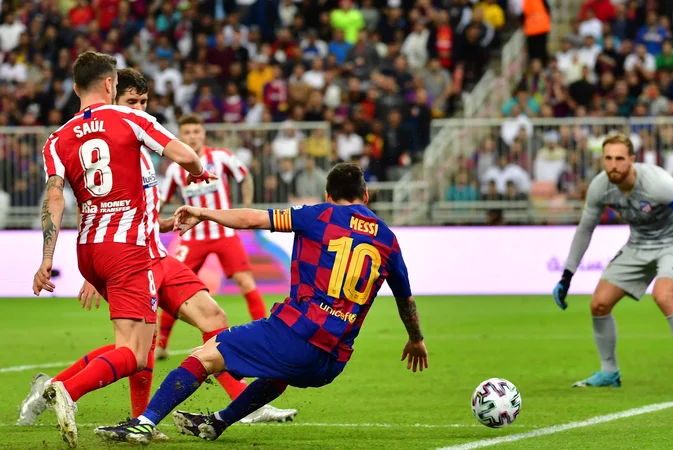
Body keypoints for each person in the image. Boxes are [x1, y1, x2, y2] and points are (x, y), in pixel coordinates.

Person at [17, 69, 297, 434]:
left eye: (143, 102)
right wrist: (95, 274)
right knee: (137, 350)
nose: (138, 107)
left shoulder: (140, 149)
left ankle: (240, 404)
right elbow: (101, 205)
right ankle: (107, 406)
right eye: (131, 101)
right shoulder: (120, 131)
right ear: (112, 96)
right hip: (128, 255)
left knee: (212, 318)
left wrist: (162, 224)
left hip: (155, 252)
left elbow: (136, 204)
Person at [94, 163, 428, 444]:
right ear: (365, 196)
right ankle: (218, 422)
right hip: (333, 361)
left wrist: (204, 212)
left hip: (298, 334)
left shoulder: (319, 215)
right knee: (278, 374)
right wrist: (416, 339)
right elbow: (406, 300)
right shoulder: (387, 239)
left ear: (328, 195)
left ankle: (145, 423)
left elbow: (254, 219)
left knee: (206, 354)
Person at [31, 51, 211, 448]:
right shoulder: (131, 118)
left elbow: (55, 199)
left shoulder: (56, 138)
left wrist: (46, 259)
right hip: (128, 249)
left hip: (88, 251)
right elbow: (187, 156)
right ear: (111, 85)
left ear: (76, 88)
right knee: (133, 352)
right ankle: (66, 391)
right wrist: (199, 171)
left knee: (140, 347)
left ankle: (138, 422)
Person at [552, 134, 673, 390]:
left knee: (663, 296)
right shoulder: (600, 187)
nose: (613, 165)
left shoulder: (658, 183)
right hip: (638, 244)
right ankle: (609, 372)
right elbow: (584, 230)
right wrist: (567, 276)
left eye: (619, 158)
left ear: (632, 160)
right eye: (608, 158)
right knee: (599, 304)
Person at [157, 113, 263, 360]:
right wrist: (161, 223)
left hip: (224, 231)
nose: (192, 136)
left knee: (246, 282)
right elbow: (159, 204)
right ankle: (162, 344)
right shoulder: (175, 169)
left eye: (196, 131)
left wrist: (246, 206)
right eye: (187, 133)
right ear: (180, 137)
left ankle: (265, 336)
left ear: (203, 133)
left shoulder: (220, 157)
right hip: (193, 236)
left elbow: (244, 176)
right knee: (173, 288)